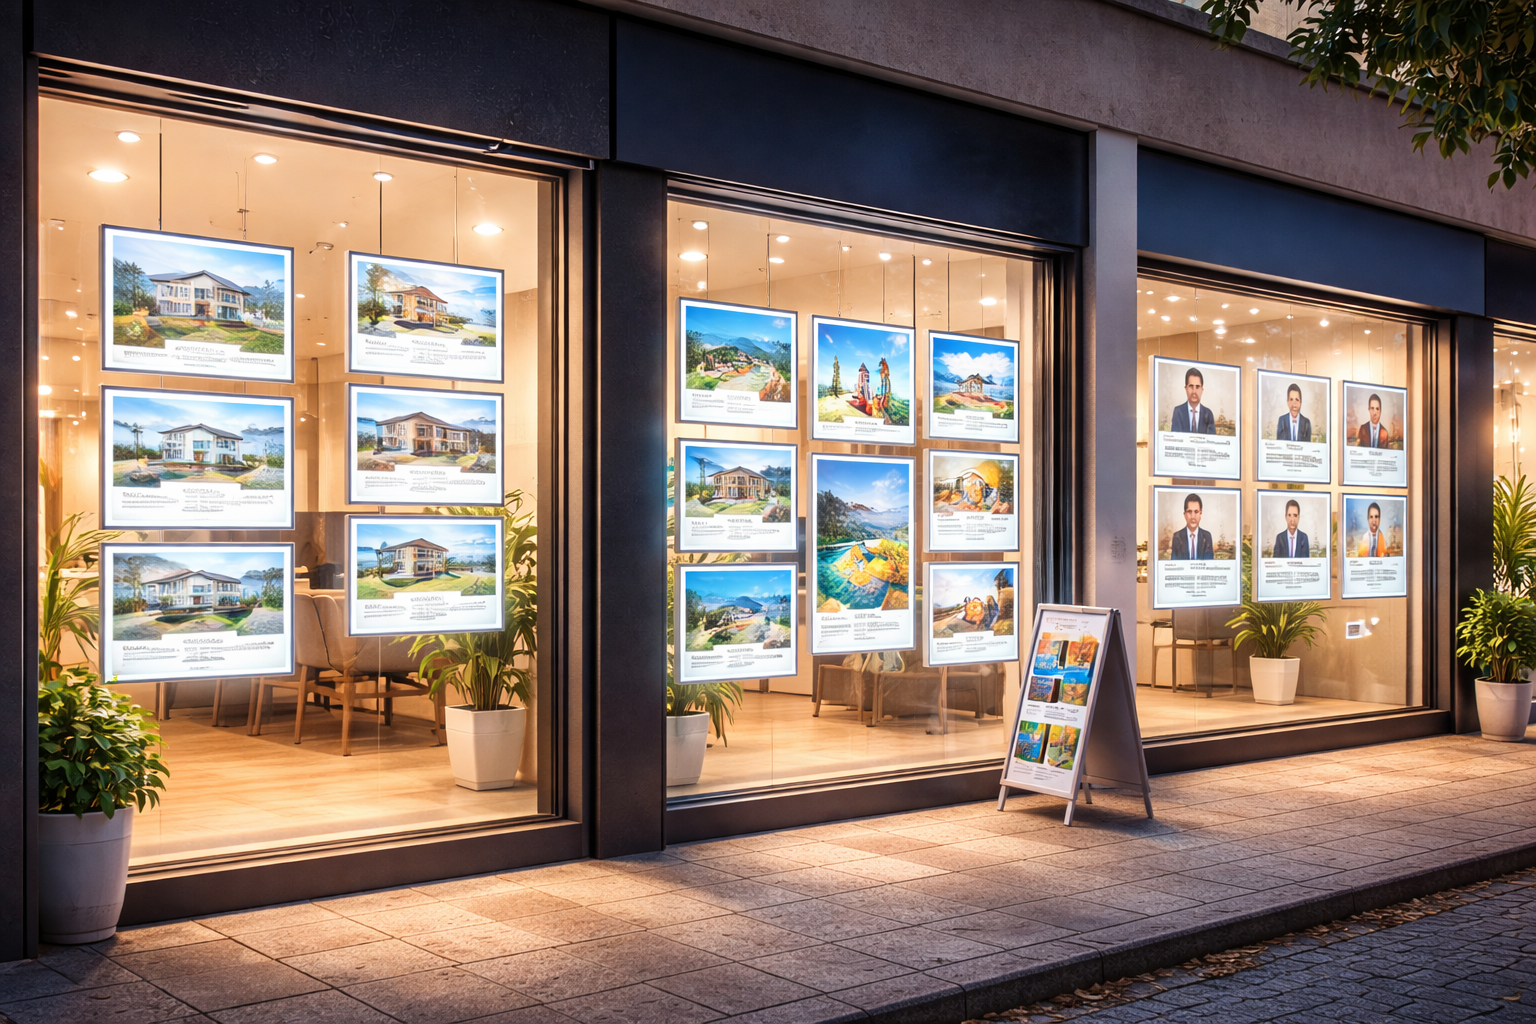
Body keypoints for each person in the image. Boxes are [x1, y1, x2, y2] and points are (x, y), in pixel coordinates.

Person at [1170, 366, 1216, 433]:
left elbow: (1212, 441)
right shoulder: (1178, 412)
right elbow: (1175, 441)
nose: (1194, 391)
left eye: (1197, 387)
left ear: (1202, 390)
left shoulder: (1208, 413)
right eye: (1191, 386)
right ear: (1186, 388)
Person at [1170, 492, 1214, 559]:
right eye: (1189, 512)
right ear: (1185, 514)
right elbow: (1175, 566)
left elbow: (1209, 565)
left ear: (1200, 514)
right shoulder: (1177, 537)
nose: (1193, 516)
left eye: (1196, 512)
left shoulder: (1207, 537)